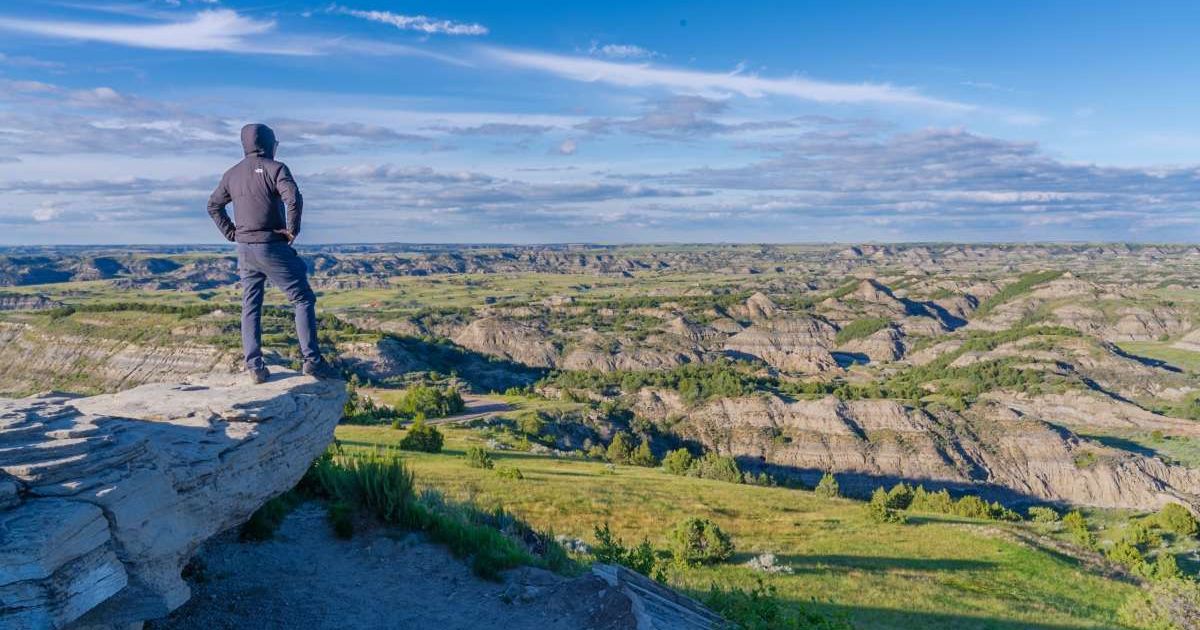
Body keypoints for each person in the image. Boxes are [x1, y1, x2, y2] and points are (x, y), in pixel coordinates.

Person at [207, 123, 339, 383]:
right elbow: (293, 198)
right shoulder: (276, 168)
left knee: (251, 305)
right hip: (272, 245)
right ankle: (312, 362)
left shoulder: (231, 174)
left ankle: (255, 367)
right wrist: (292, 230)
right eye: (275, 143)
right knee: (302, 299)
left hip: (245, 249)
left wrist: (232, 234)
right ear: (269, 144)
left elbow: (213, 206)